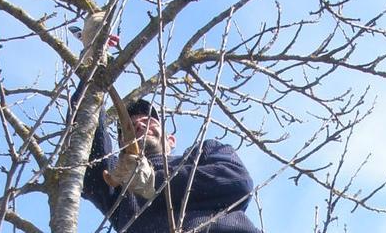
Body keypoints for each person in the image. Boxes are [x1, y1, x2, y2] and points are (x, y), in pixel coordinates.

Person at [81, 97, 262, 233]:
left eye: (148, 121)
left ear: (171, 139)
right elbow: (85, 144)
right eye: (129, 126)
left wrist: (153, 182)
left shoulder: (203, 153)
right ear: (121, 146)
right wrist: (93, 68)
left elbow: (237, 181)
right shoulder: (118, 183)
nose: (138, 125)